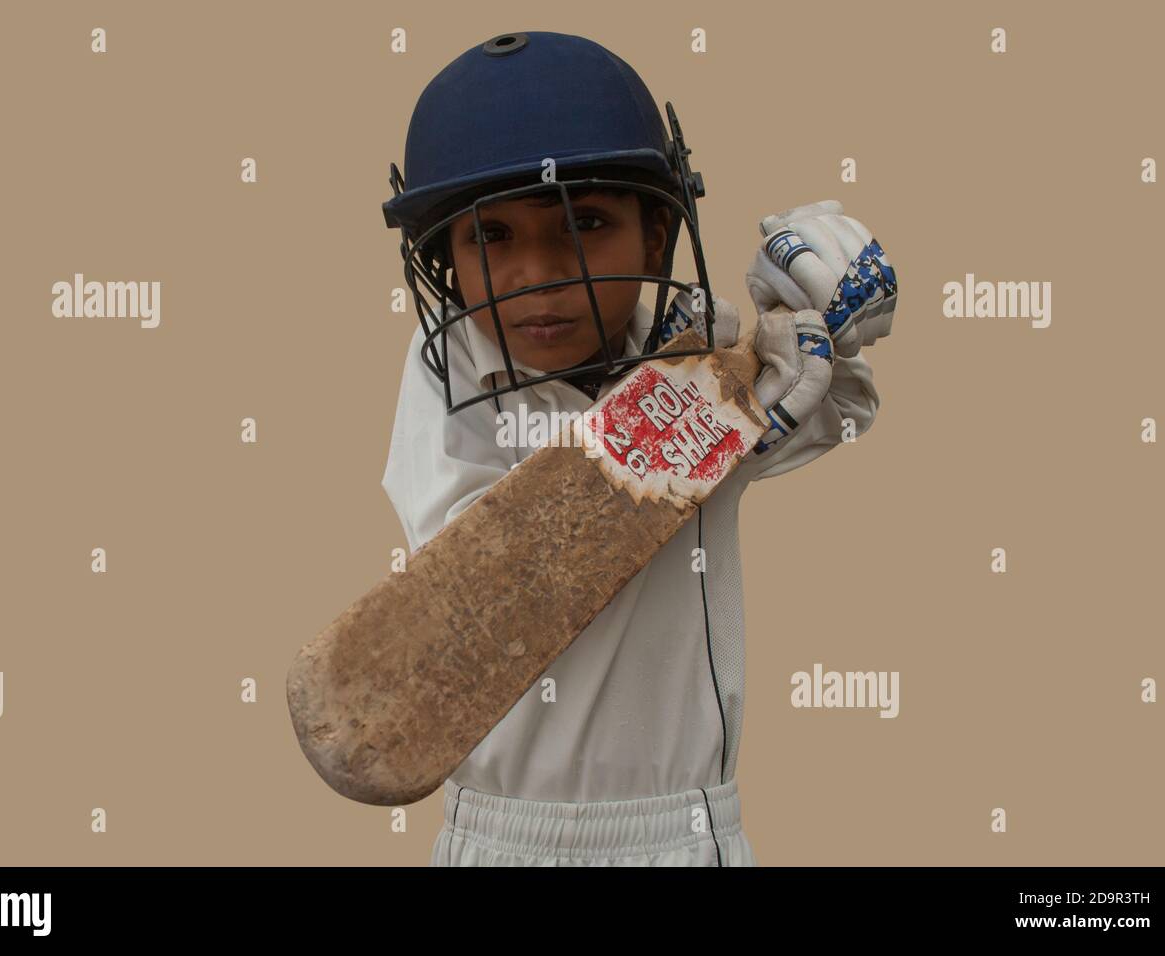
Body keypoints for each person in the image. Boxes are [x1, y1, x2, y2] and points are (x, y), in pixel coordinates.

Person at [380, 31, 897, 866]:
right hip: (506, 833)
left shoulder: (697, 343)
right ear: (443, 261)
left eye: (584, 223)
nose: (537, 274)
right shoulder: (452, 369)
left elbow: (841, 404)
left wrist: (827, 313)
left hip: (685, 831)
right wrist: (690, 418)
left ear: (658, 238)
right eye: (492, 237)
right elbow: (493, 580)